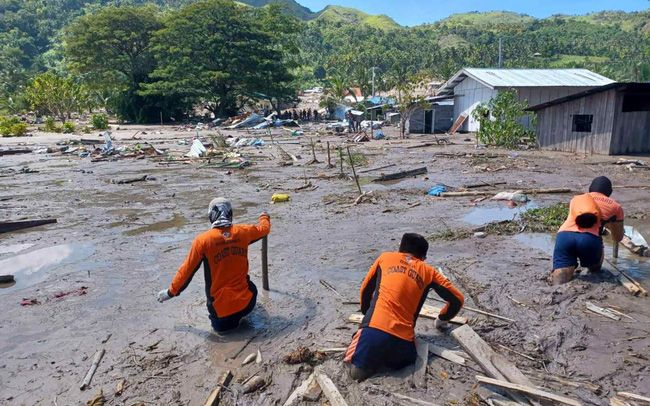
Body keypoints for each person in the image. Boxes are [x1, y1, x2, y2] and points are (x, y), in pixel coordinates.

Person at [344, 233, 464, 381]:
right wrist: (441, 319)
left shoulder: (385, 258)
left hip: (372, 334)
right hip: (403, 346)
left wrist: (367, 317)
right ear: (423, 258)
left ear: (400, 249)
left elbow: (365, 290)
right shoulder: (429, 272)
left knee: (354, 374)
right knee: (397, 360)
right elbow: (458, 299)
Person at [157, 198, 271, 332]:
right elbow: (264, 229)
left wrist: (170, 292)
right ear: (230, 214)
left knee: (223, 335)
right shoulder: (243, 232)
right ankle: (242, 317)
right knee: (250, 287)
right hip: (247, 303)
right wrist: (264, 216)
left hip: (221, 315)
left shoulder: (202, 241)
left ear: (211, 215)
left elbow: (186, 271)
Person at [550, 176, 624, 285]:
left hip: (564, 236)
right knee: (595, 269)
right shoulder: (616, 207)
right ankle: (593, 270)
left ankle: (555, 289)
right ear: (610, 192)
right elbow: (617, 237)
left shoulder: (576, 199)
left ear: (590, 189)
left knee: (562, 274)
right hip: (589, 240)